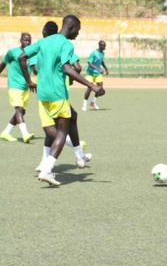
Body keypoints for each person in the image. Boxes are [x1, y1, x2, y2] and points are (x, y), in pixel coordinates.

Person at [19, 15, 104, 187]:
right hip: (58, 94)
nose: (78, 34)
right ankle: (47, 170)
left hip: (42, 95)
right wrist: (91, 86)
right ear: (71, 27)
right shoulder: (66, 44)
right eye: (78, 30)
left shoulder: (44, 42)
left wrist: (28, 81)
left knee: (68, 120)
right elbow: (67, 68)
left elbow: (22, 57)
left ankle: (78, 155)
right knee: (61, 133)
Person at [0, 32, 36, 143]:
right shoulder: (12, 52)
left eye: (29, 40)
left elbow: (35, 70)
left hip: (25, 87)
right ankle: (25, 134)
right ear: (20, 41)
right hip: (14, 85)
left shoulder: (32, 54)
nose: (27, 42)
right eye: (25, 40)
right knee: (19, 110)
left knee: (22, 112)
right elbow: (3, 65)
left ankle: (5, 133)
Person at [83, 40, 108, 111]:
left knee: (100, 89)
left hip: (97, 74)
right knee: (89, 88)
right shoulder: (94, 53)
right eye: (104, 46)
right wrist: (98, 69)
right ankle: (84, 105)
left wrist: (106, 69)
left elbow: (101, 61)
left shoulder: (102, 53)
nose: (105, 47)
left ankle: (93, 102)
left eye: (105, 46)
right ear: (100, 46)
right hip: (90, 73)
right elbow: (89, 63)